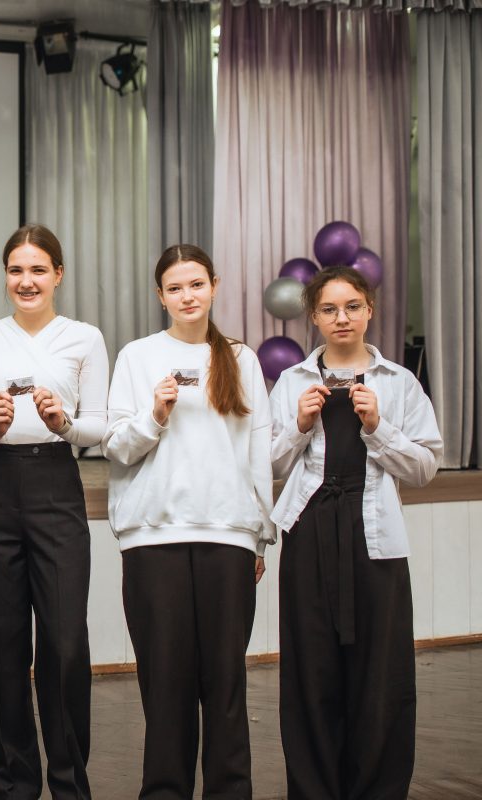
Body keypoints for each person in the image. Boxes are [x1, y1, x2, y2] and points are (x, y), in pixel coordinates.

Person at [103, 244, 275, 800]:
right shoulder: (137, 356)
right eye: (175, 288)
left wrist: (260, 535)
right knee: (166, 687)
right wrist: (154, 414)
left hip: (228, 539)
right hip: (153, 541)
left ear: (214, 286)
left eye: (196, 284)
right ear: (160, 296)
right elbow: (117, 448)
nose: (187, 296)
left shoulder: (242, 359)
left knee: (225, 686)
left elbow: (258, 449)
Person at [269, 267, 442, 800]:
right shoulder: (293, 382)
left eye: (351, 307)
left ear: (369, 310)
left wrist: (379, 428)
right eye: (328, 309)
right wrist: (297, 427)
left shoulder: (399, 382)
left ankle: (378, 789)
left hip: (376, 539)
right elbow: (267, 467)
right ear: (314, 316)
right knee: (311, 671)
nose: (341, 318)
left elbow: (425, 468)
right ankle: (315, 789)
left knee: (380, 672)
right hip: (308, 532)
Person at [0, 224, 107, 799]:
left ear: (58, 275)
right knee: (0, 649)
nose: (26, 281)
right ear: (6, 276)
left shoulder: (84, 337)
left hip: (56, 484)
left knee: (66, 646)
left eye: (38, 270)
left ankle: (70, 784)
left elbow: (99, 424)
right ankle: (13, 786)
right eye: (16, 270)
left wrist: (63, 422)